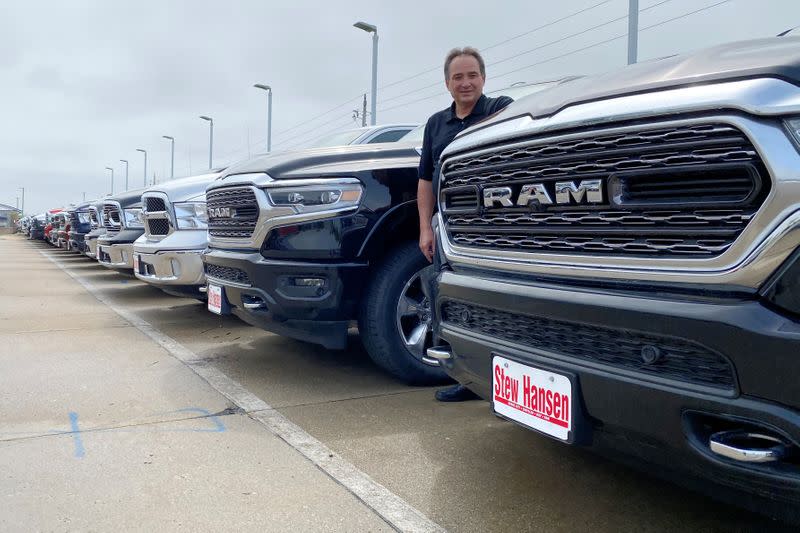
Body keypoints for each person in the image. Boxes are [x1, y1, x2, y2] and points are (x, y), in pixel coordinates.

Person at [417, 47, 514, 402]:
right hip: (451, 228)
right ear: (447, 83)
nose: (466, 82)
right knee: (452, 298)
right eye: (458, 77)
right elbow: (425, 180)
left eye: (472, 75)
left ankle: (505, 376)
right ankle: (468, 378)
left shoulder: (499, 108)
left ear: (483, 78)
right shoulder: (435, 124)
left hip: (494, 227)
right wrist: (426, 228)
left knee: (494, 299)